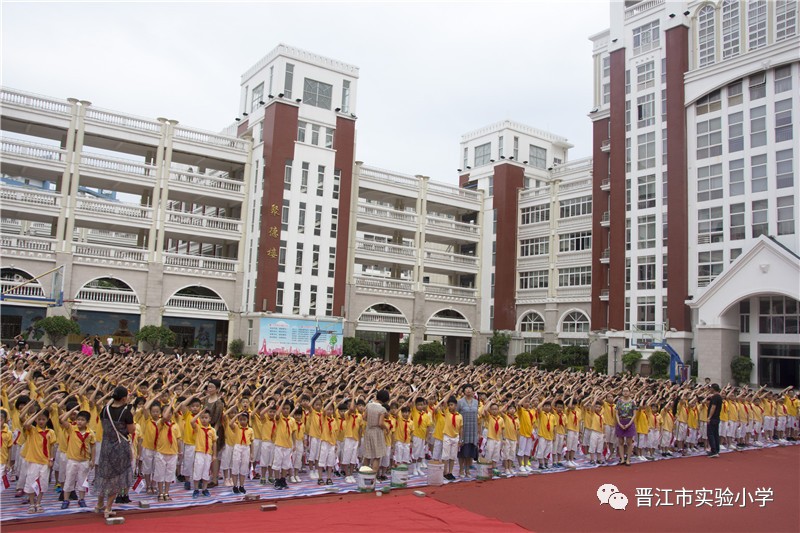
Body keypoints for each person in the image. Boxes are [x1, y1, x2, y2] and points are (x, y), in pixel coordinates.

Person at [94, 386, 135, 519]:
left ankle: (99, 504)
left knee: (104, 474)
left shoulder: (105, 410)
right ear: (124, 398)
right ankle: (108, 508)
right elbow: (131, 430)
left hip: (106, 445)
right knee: (116, 477)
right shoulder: (126, 412)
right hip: (119, 446)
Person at [59, 409, 95, 509]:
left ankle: (81, 499)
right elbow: (62, 420)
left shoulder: (90, 433)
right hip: (72, 459)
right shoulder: (72, 428)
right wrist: (71, 411)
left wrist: (92, 460)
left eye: (82, 420)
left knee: (82, 481)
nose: (79, 421)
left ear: (87, 422)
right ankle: (66, 500)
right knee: (69, 479)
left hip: (84, 460)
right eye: (78, 419)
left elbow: (93, 446)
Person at [363, 389, 389, 474]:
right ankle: (373, 475)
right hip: (377, 431)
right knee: (377, 456)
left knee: (367, 455)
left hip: (368, 430)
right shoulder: (382, 409)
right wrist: (386, 428)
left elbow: (364, 417)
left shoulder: (368, 405)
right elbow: (380, 423)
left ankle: (364, 474)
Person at [457, 384, 479, 477]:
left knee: (470, 450)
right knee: (462, 451)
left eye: (470, 389)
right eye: (466, 389)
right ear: (463, 391)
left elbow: (477, 415)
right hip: (463, 428)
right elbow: (457, 415)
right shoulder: (460, 402)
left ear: (473, 391)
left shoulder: (476, 402)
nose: (468, 390)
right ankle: (461, 470)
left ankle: (467, 470)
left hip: (473, 429)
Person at [615, 386, 637, 466]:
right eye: (624, 391)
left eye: (627, 391)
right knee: (620, 441)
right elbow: (616, 413)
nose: (625, 392)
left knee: (629, 442)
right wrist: (619, 423)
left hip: (629, 421)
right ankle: (622, 459)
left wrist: (629, 424)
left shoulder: (633, 402)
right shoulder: (619, 401)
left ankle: (628, 459)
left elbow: (634, 414)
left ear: (630, 392)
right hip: (621, 421)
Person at [707, 383, 723, 458]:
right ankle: (716, 449)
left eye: (710, 388)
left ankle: (714, 450)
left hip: (713, 418)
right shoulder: (719, 397)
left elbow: (713, 407)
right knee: (716, 434)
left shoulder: (715, 397)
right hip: (717, 417)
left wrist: (709, 417)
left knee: (711, 434)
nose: (709, 389)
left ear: (713, 389)